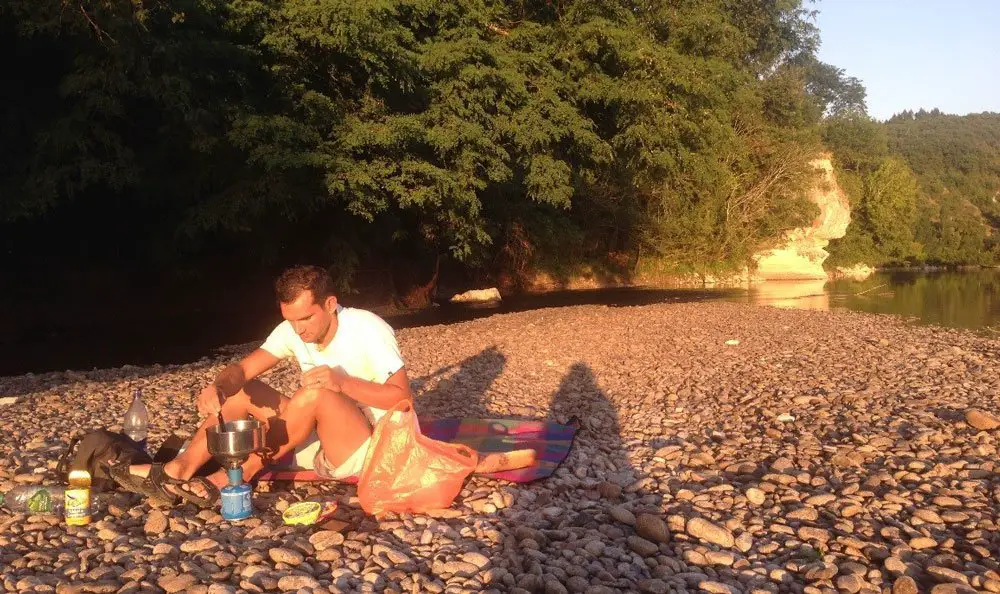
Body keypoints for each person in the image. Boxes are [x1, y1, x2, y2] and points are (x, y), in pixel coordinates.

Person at [111, 264, 413, 506]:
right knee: (242, 389)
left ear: (330, 304)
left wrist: (343, 383)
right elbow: (242, 369)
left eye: (306, 318)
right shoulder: (293, 330)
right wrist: (218, 387)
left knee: (316, 394)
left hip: (371, 447)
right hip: (321, 436)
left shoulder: (368, 329)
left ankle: (238, 474)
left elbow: (403, 400)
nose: (299, 329)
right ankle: (181, 468)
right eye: (291, 320)